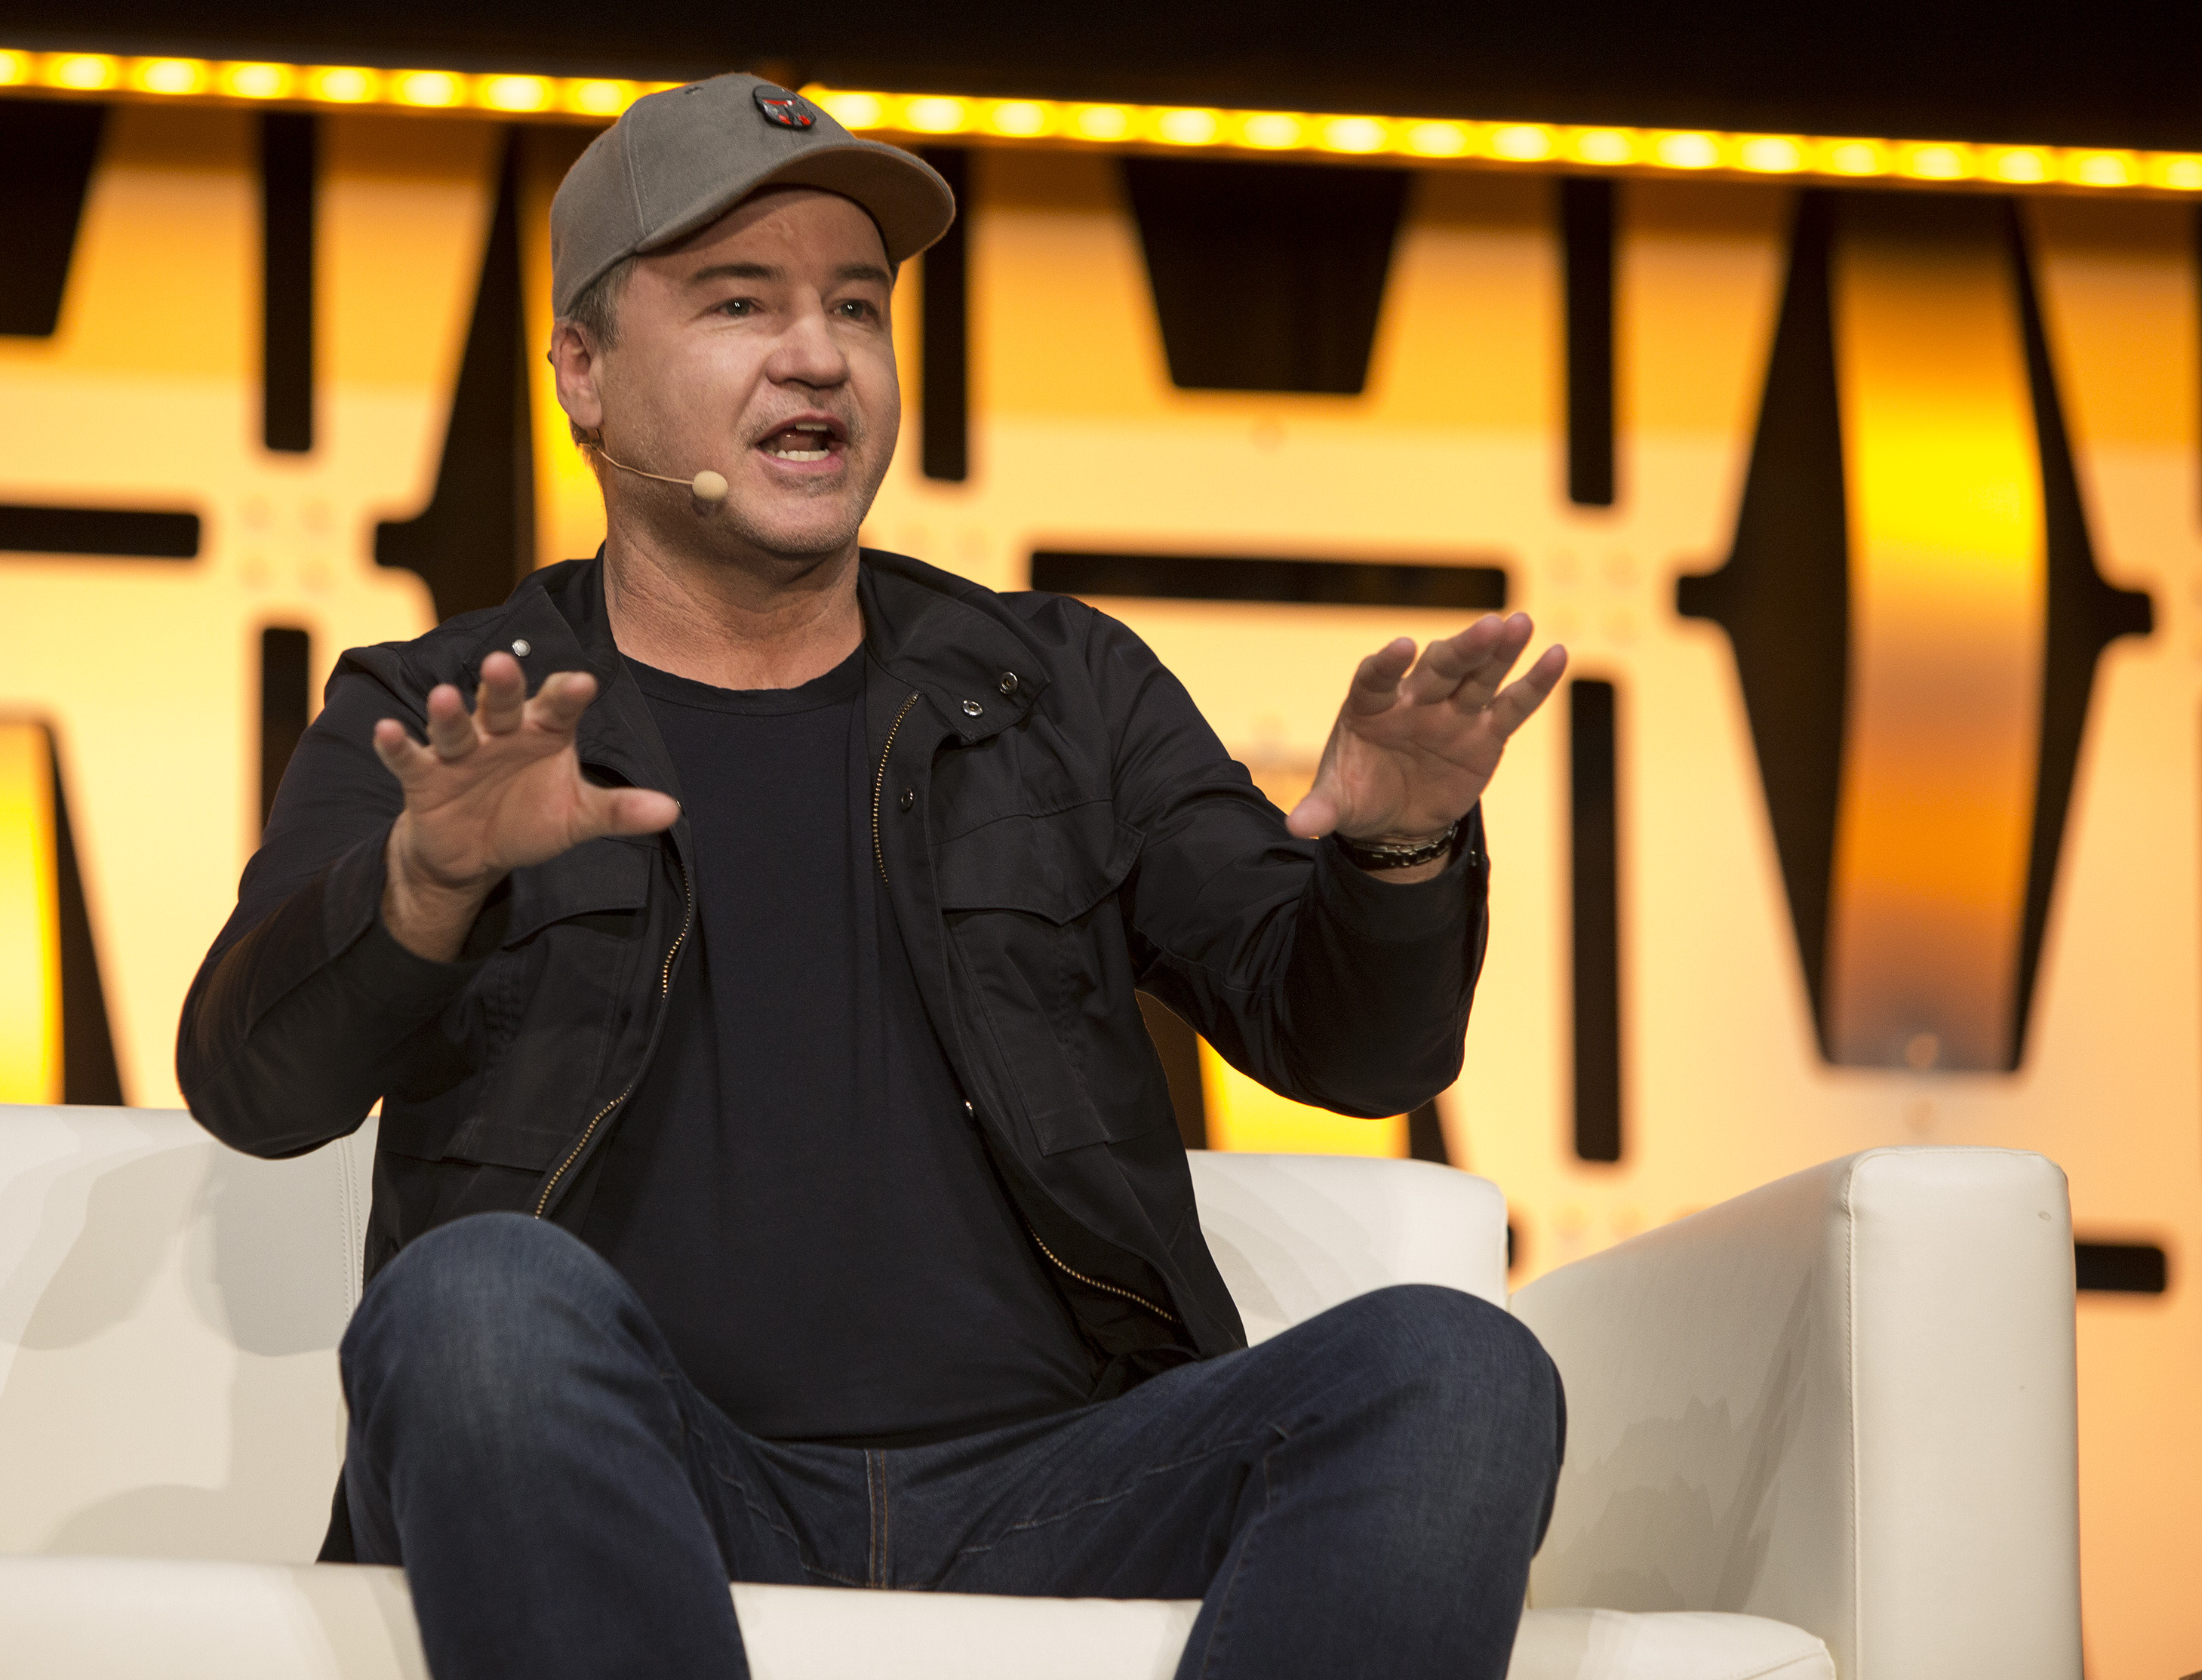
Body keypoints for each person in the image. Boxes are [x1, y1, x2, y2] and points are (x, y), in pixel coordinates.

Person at [179, 73, 1569, 1680]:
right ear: (584, 371)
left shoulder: (1059, 690)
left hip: (1058, 1493)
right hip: (661, 1487)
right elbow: (250, 1088)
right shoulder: (447, 708)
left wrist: (1398, 847)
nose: (819, 355)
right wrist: (426, 877)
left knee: (1452, 1370)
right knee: (477, 1304)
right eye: (736, 303)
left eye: (857, 305)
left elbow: (1355, 1051)